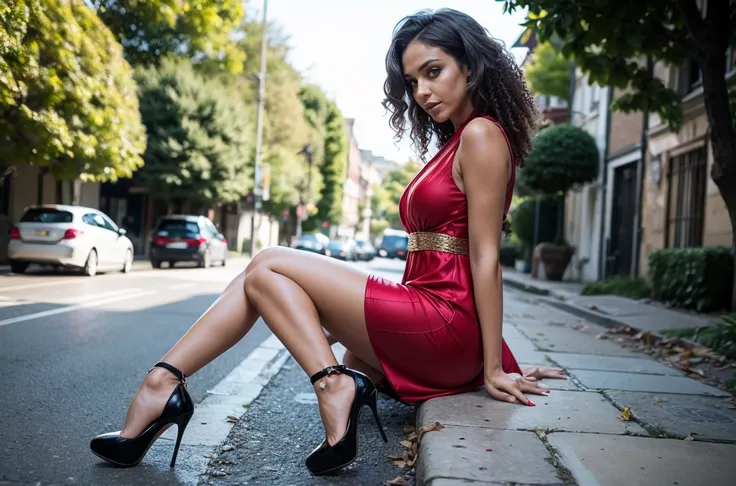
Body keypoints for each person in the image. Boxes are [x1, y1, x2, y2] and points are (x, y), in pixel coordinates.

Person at [89, 7, 565, 475]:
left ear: (471, 63)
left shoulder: (481, 135)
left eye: (433, 72)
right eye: (412, 81)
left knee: (269, 261)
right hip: (429, 314)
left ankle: (295, 386)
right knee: (263, 278)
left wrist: (493, 369)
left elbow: (484, 258)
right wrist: (317, 312)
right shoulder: (457, 142)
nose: (421, 92)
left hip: (442, 324)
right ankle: (164, 387)